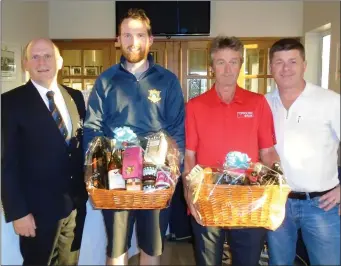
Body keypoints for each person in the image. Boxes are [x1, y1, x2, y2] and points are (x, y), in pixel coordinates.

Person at [83, 8, 185, 266]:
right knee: (116, 250)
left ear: (150, 39)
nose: (133, 41)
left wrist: (173, 174)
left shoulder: (167, 81)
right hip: (116, 176)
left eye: (139, 35)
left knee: (151, 248)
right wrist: (95, 171)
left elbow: (177, 130)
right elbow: (93, 127)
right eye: (127, 35)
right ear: (118, 39)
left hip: (156, 178)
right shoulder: (106, 81)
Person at [183, 36, 280, 266]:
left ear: (241, 65)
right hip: (207, 199)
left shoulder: (257, 104)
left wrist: (273, 192)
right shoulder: (195, 106)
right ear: (211, 67)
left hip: (248, 199)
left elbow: (268, 153)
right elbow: (189, 157)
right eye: (221, 62)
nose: (227, 69)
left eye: (233, 62)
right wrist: (190, 197)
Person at [1, 38, 88, 265]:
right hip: (36, 211)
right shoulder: (9, 103)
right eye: (35, 56)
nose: (42, 62)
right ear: (25, 64)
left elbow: (78, 148)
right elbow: (6, 162)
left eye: (48, 56)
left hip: (74, 207)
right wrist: (18, 212)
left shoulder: (75, 98)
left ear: (59, 62)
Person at [265, 38, 340, 266]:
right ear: (271, 68)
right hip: (277, 203)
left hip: (321, 205)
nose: (286, 69)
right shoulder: (264, 104)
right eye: (279, 62)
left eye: (293, 61)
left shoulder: (330, 101)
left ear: (304, 65)